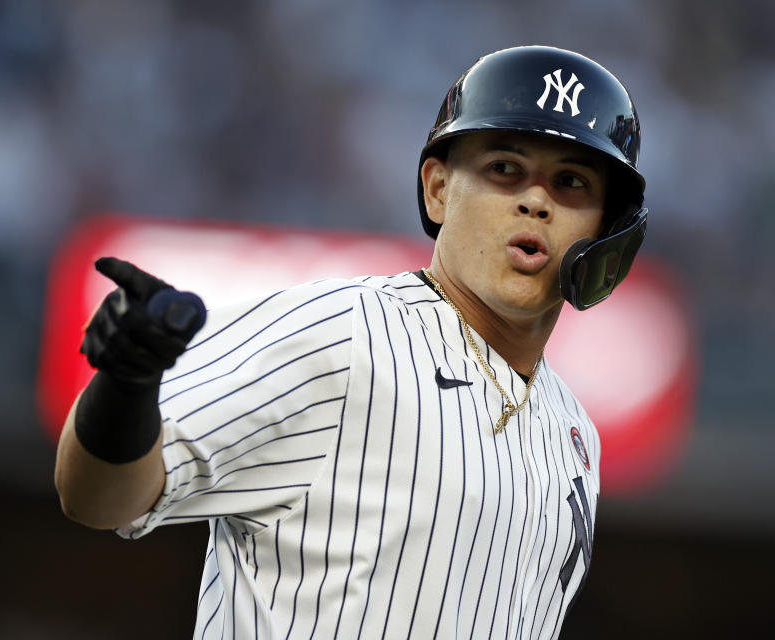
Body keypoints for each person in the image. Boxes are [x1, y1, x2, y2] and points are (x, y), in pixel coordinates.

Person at [54, 45, 648, 640]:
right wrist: (125, 387)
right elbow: (98, 499)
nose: (536, 201)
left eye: (570, 182)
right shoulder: (343, 334)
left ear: (606, 229)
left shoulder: (573, 432)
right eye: (503, 169)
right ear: (438, 189)